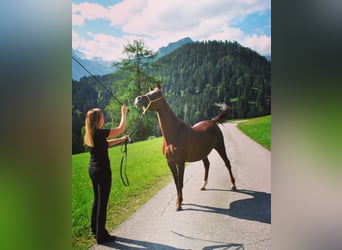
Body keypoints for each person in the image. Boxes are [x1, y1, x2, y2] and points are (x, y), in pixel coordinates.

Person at [84, 105, 129, 244]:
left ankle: (95, 230)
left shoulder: (92, 133)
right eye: (102, 116)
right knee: (102, 203)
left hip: (92, 169)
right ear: (98, 120)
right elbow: (121, 128)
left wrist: (122, 139)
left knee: (97, 200)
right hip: (102, 171)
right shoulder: (100, 132)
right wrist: (124, 113)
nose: (104, 118)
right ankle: (101, 236)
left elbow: (106, 144)